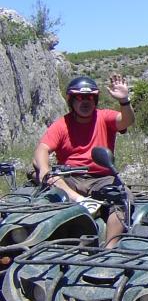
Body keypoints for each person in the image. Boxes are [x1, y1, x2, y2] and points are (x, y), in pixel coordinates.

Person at [33, 75, 135, 248]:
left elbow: (127, 121)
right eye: (79, 97)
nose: (85, 102)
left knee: (121, 198)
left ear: (95, 99)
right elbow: (42, 149)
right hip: (70, 178)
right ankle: (77, 205)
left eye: (89, 97)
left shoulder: (104, 117)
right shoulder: (62, 124)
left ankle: (110, 250)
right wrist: (44, 170)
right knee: (48, 184)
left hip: (102, 178)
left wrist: (124, 100)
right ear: (71, 101)